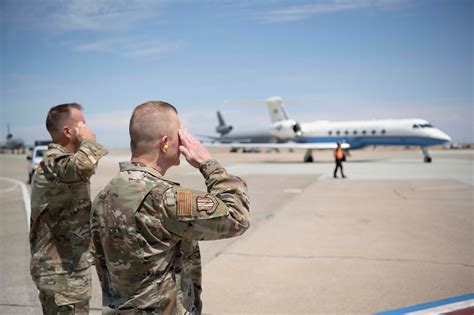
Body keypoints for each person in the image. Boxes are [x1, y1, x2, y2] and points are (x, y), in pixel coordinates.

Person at [91, 101, 251, 313]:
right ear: (165, 143)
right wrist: (208, 164)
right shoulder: (165, 199)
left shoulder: (104, 196)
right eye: (180, 134)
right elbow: (238, 217)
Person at [29, 103, 108, 314]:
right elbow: (83, 166)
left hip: (67, 271)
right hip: (60, 274)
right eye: (82, 124)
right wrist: (89, 141)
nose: (87, 128)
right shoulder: (53, 162)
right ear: (68, 131)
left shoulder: (62, 162)